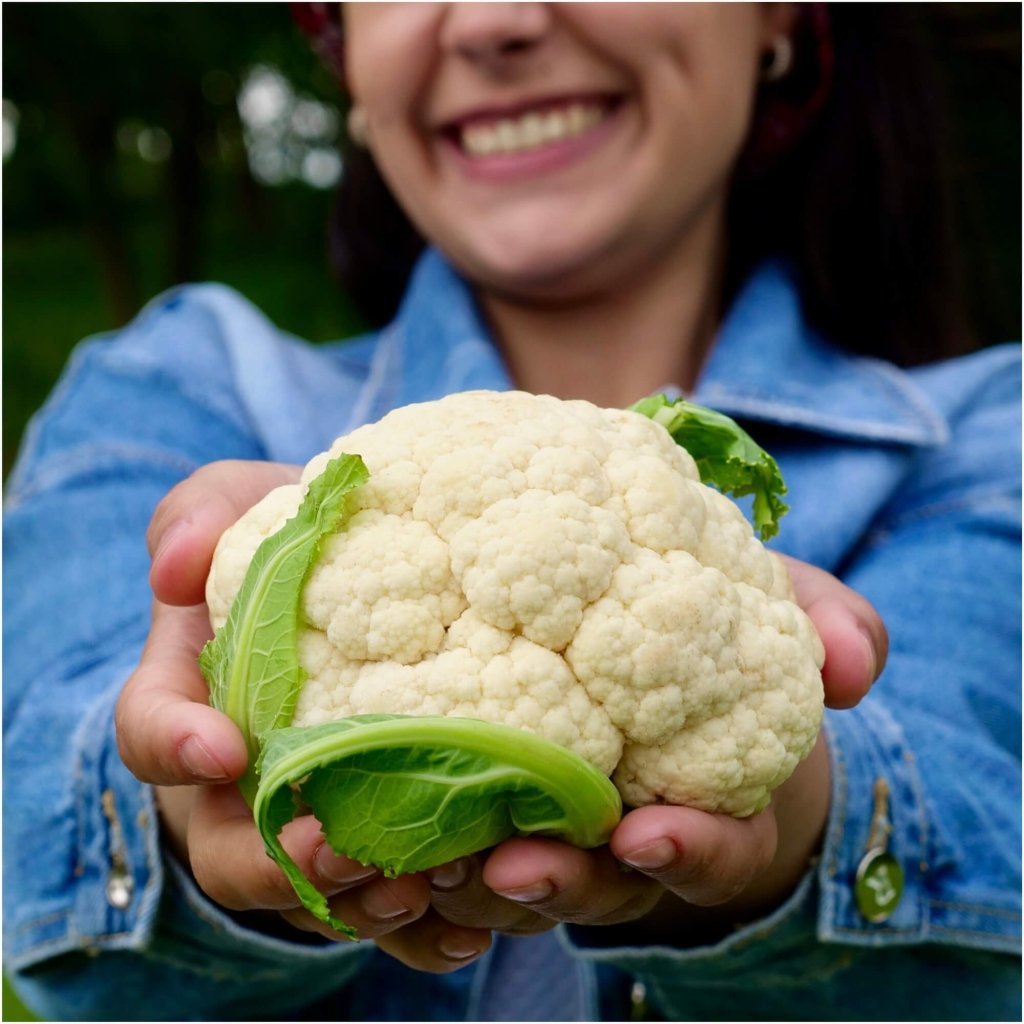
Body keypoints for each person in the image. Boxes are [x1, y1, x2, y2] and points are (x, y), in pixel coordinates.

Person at [3, 3, 1020, 1021]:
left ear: (776, 20)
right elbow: (36, 817)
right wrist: (188, 797)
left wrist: (793, 811)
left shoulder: (987, 436)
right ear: (345, 51)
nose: (495, 19)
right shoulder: (171, 384)